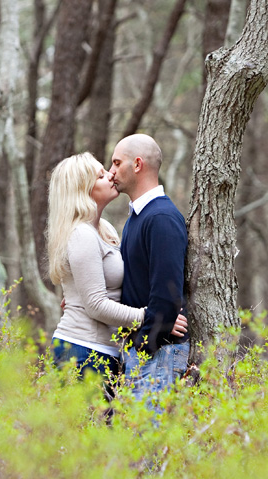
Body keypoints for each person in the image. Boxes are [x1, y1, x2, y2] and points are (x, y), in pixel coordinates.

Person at [46, 152, 186, 390]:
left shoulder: (104, 229)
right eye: (101, 175)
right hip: (82, 351)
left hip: (102, 352)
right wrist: (154, 318)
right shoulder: (82, 234)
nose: (110, 175)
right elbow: (95, 305)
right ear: (83, 189)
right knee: (91, 427)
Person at [108, 134, 189, 413]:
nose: (112, 172)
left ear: (138, 164)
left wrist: (140, 344)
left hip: (158, 355)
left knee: (148, 452)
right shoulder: (138, 217)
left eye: (117, 163)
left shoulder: (161, 218)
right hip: (146, 354)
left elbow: (166, 298)